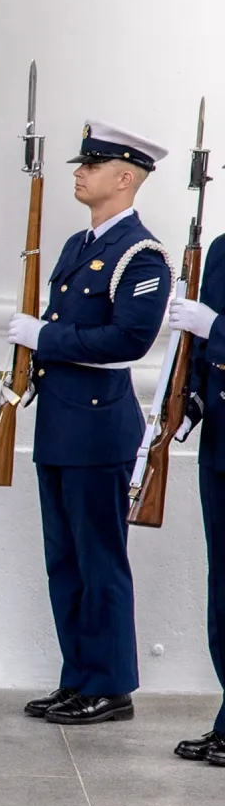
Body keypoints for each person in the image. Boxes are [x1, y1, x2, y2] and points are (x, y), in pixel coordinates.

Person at [9, 122, 172, 726]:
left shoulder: (141, 254)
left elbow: (129, 339)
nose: (80, 172)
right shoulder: (80, 245)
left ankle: (111, 686)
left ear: (125, 177)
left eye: (94, 166)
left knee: (100, 560)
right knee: (65, 560)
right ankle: (78, 677)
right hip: (59, 423)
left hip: (99, 428)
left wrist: (45, 336)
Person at [165, 229, 225, 764]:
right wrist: (190, 402)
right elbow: (203, 356)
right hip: (221, 447)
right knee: (223, 594)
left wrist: (219, 329)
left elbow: (215, 334)